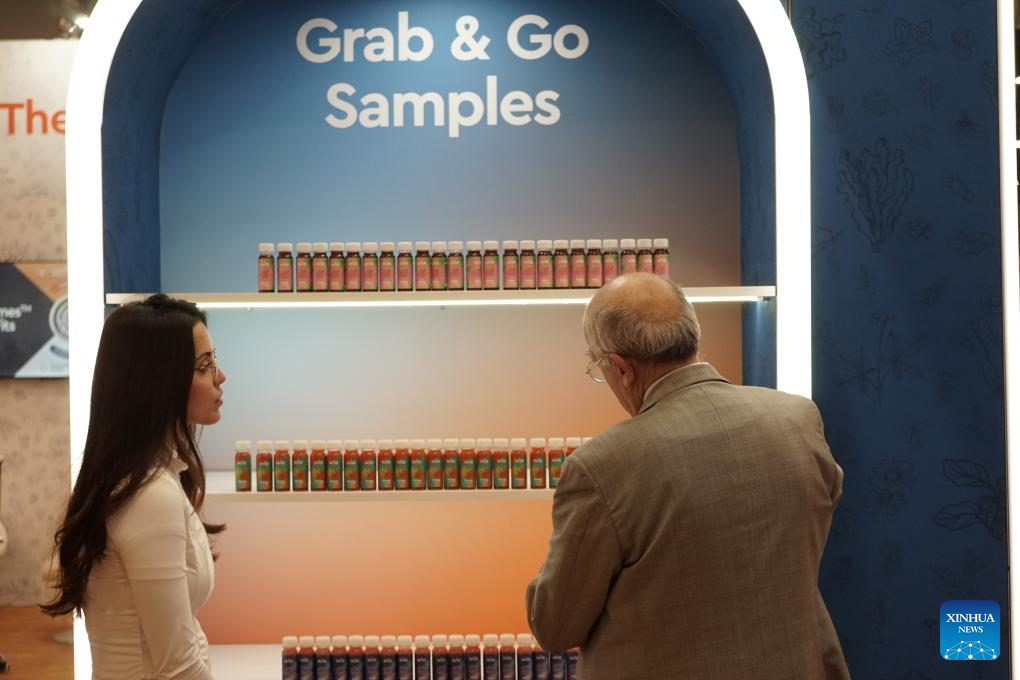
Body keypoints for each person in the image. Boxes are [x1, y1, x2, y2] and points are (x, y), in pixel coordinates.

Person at [525, 273, 849, 679]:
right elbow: (814, 523)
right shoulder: (797, 418)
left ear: (622, 369)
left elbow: (555, 625)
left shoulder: (603, 466)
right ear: (692, 337)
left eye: (598, 368)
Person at [42, 294, 226, 680]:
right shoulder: (150, 497)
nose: (220, 376)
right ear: (159, 379)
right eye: (205, 365)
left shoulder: (142, 479)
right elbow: (179, 666)